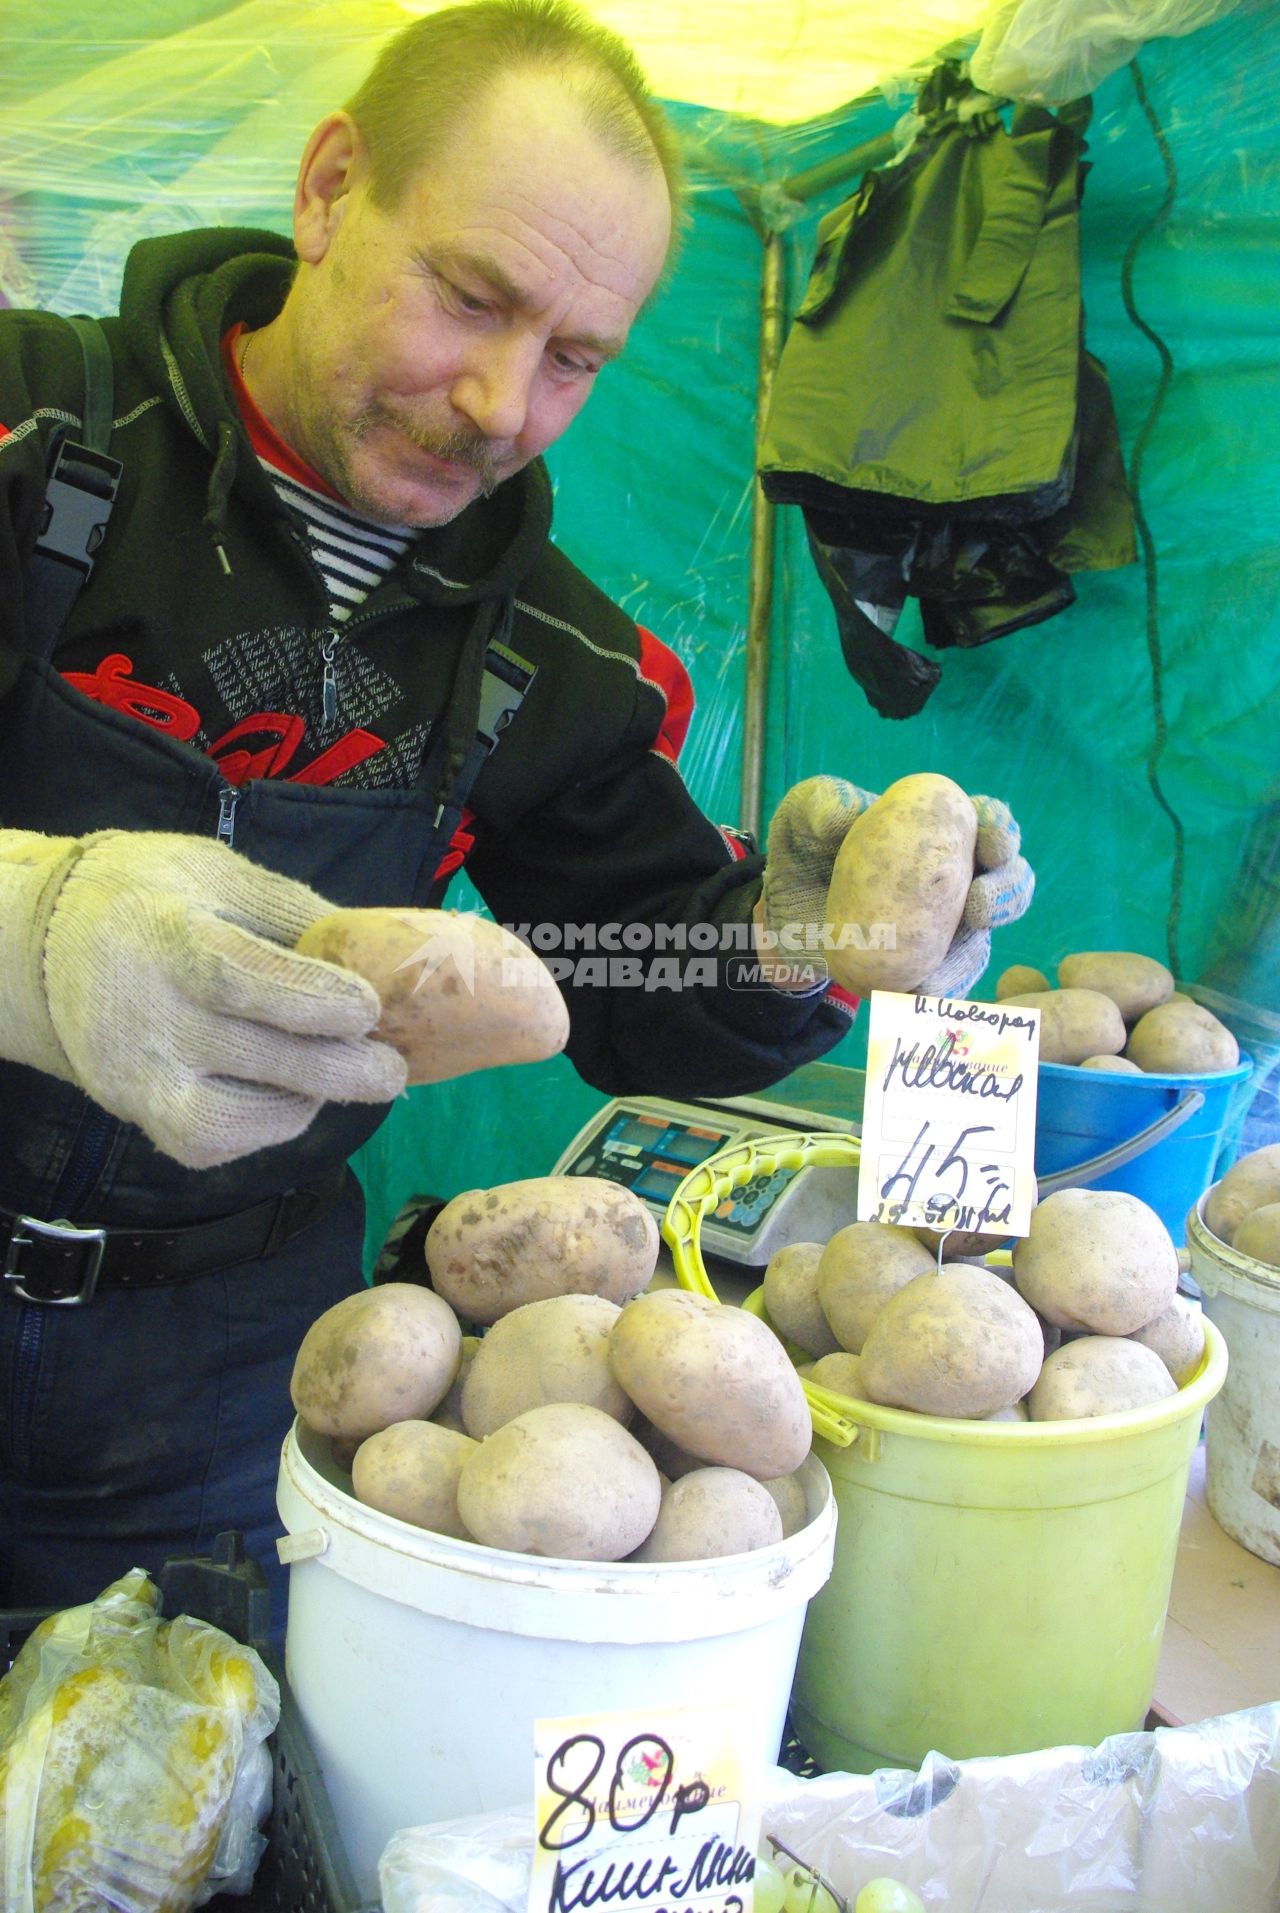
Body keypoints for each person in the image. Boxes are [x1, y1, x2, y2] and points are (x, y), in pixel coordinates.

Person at [0, 0, 1031, 1628]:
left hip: (221, 1370)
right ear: (333, 189)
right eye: (471, 297)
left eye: (573, 358)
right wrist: (31, 925)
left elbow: (634, 972)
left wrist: (797, 941)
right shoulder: (30, 423)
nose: (498, 401)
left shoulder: (554, 656)